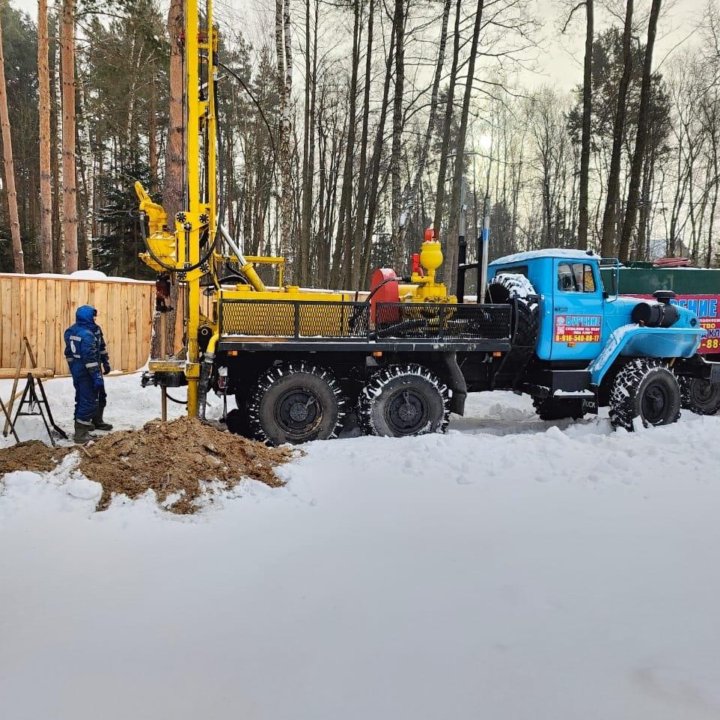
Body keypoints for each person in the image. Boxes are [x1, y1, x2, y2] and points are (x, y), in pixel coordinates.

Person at [64, 305, 113, 443]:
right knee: (87, 399)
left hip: (89, 368)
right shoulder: (85, 334)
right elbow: (88, 358)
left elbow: (101, 347)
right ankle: (81, 433)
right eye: (93, 316)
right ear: (86, 317)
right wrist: (95, 375)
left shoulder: (93, 330)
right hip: (85, 371)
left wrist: (105, 361)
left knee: (99, 395)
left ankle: (96, 421)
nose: (95, 318)